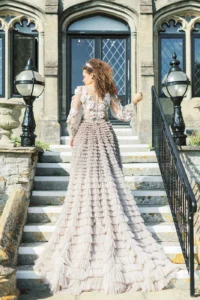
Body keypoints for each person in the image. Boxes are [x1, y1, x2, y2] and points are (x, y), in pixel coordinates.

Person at [33, 58, 180, 295]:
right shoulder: (109, 92)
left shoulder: (80, 92)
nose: (82, 78)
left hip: (86, 137)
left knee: (84, 183)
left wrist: (72, 135)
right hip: (106, 135)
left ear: (93, 75)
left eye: (85, 74)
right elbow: (122, 115)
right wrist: (133, 102)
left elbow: (73, 119)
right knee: (109, 181)